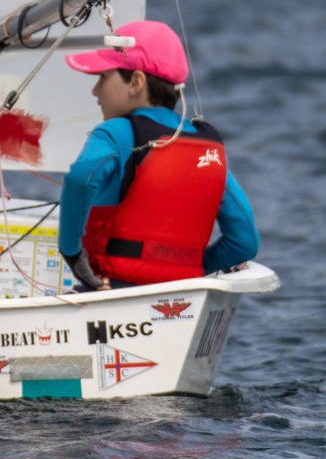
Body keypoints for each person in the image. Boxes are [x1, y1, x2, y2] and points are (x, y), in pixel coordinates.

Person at [55, 20, 258, 291]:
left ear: (136, 82)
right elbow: (245, 243)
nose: (95, 89)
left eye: (103, 77)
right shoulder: (208, 148)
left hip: (110, 291)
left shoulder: (115, 133)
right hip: (183, 293)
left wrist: (71, 252)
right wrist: (194, 268)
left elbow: (82, 178)